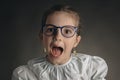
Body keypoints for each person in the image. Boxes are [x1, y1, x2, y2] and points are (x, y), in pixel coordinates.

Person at [12, 4, 108, 80]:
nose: (57, 37)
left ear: (76, 41)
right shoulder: (27, 74)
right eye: (50, 30)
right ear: (42, 37)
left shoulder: (89, 68)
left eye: (67, 31)